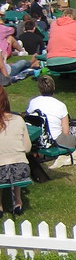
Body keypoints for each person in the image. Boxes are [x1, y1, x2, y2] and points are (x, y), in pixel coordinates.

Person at [0, 85, 31, 216]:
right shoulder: (19, 119)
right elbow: (27, 147)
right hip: (21, 169)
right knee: (16, 161)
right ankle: (17, 201)